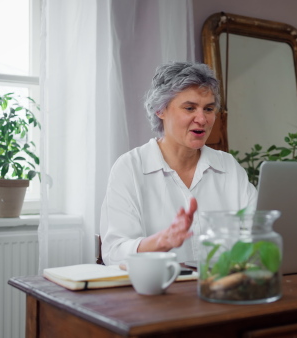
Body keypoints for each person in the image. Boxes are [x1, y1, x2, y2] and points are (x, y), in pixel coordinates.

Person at [100, 61, 257, 265]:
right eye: (190, 108)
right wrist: (160, 242)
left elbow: (258, 229)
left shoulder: (228, 166)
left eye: (208, 109)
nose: (201, 119)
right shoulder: (129, 168)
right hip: (158, 291)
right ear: (160, 110)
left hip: (221, 286)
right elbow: (113, 252)